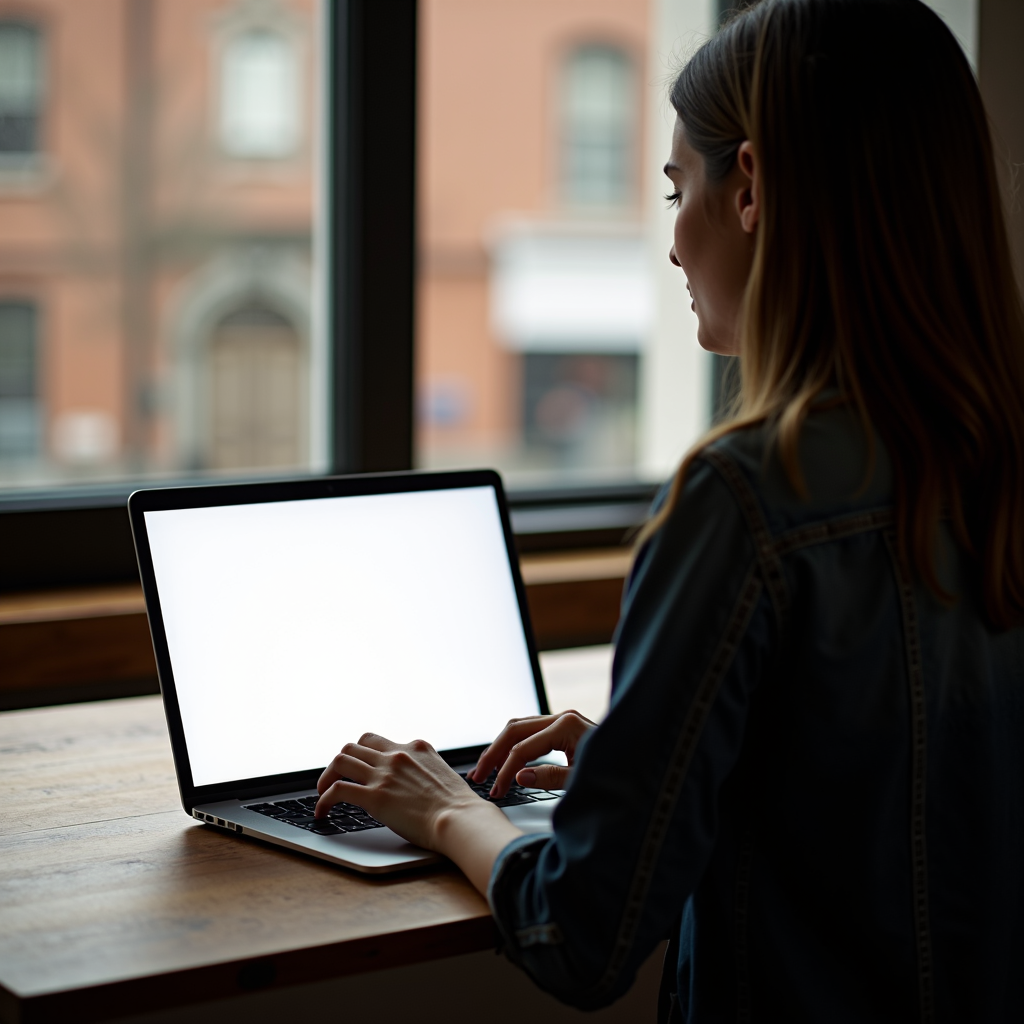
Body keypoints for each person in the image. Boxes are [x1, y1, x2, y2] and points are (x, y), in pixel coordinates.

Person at [314, 1, 1024, 1020]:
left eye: (674, 189)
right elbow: (885, 792)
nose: (675, 245)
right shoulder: (990, 460)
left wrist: (447, 809)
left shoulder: (742, 498)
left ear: (750, 187)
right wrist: (646, 765)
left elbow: (581, 935)